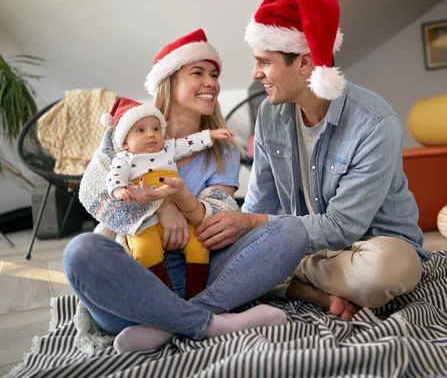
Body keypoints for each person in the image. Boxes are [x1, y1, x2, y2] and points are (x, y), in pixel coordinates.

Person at [65, 28, 309, 354]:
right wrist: (161, 207)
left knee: (291, 231)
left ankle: (168, 324)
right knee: (80, 252)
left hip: (202, 273)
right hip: (136, 279)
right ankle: (210, 321)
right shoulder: (127, 131)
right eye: (198, 73)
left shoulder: (222, 150)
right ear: (169, 81)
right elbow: (95, 193)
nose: (211, 82)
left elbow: (218, 222)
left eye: (214, 74)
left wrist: (180, 197)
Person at [195, 0, 430, 320]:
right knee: (212, 260)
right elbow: (260, 204)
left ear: (304, 62)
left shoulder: (375, 123)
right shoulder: (268, 115)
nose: (255, 73)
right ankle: (295, 282)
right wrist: (242, 231)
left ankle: (285, 278)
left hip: (371, 247)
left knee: (383, 273)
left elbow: (342, 227)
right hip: (307, 244)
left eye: (264, 61)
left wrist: (260, 237)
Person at [103, 96, 234, 299]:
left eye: (156, 129)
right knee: (145, 248)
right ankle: (161, 295)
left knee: (199, 244)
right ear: (125, 142)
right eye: (141, 130)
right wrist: (119, 190)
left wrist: (212, 134)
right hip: (146, 216)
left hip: (178, 206)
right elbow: (114, 177)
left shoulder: (168, 148)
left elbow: (190, 143)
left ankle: (196, 292)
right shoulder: (124, 158)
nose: (151, 135)